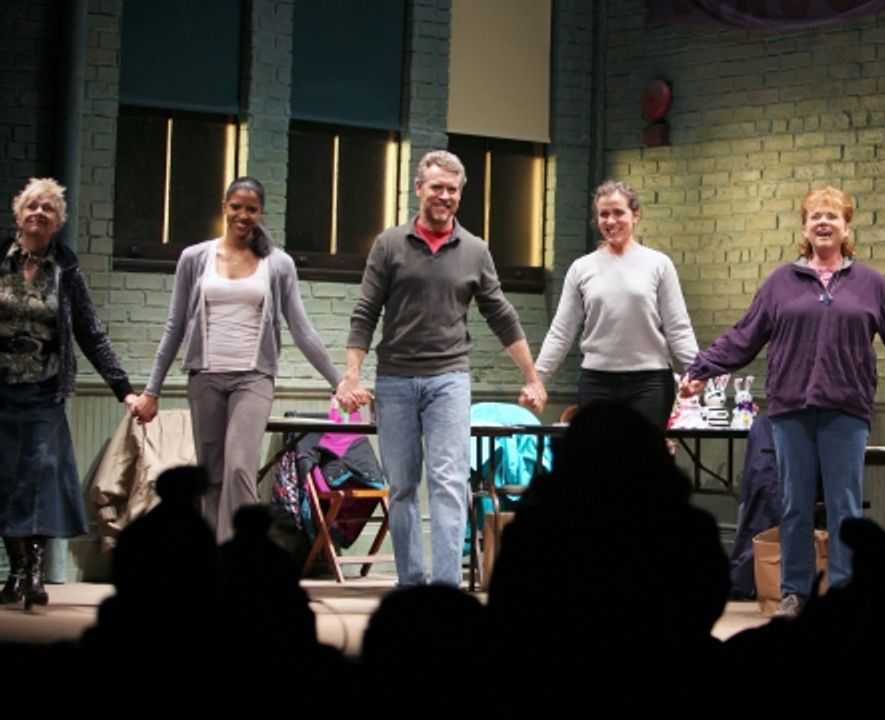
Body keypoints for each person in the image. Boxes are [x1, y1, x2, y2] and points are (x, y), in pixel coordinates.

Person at [680, 186, 885, 619]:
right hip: (790, 409)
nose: (823, 223)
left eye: (832, 216)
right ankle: (795, 593)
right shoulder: (779, 284)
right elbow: (743, 335)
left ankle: (845, 595)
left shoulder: (872, 286)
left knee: (844, 507)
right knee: (794, 505)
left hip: (846, 409)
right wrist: (702, 369)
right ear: (804, 228)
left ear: (847, 228)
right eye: (815, 216)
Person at [336, 150, 546, 588]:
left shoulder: (475, 250)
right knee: (402, 487)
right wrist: (351, 375)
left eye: (452, 189)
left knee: (448, 483)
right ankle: (412, 585)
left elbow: (501, 314)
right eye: (437, 187)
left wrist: (532, 376)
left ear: (460, 194)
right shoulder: (389, 245)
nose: (444, 196)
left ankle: (446, 589)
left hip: (449, 379)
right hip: (394, 379)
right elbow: (365, 311)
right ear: (419, 189)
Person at [135, 177, 341, 542]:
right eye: (236, 207)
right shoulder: (195, 258)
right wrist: (152, 390)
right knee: (211, 474)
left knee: (239, 469)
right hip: (205, 377)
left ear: (261, 213)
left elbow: (302, 330)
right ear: (224, 207)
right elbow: (174, 326)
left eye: (251, 209)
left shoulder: (278, 264)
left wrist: (339, 382)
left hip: (253, 378)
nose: (242, 215)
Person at [0, 178, 136, 609]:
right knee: (6, 481)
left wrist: (123, 389)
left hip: (43, 391)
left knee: (39, 478)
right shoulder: (1, 259)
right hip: (2, 390)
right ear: (19, 214)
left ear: (58, 222)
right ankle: (16, 570)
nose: (39, 213)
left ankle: (35, 572)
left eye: (49, 209)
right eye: (33, 206)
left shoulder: (65, 267)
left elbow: (90, 333)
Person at [533, 180, 698, 427]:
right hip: (597, 382)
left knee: (643, 451)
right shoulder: (581, 269)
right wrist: (537, 379)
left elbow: (678, 326)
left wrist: (697, 371)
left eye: (618, 213)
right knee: (601, 451)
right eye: (604, 214)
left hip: (650, 383)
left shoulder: (658, 264)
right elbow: (561, 332)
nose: (611, 221)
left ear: (635, 215)